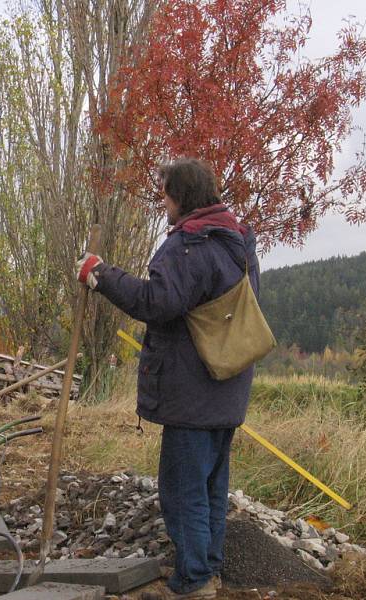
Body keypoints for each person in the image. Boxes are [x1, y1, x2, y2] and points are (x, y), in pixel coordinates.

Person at [76, 158, 259, 600]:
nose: (163, 204)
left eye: (164, 194)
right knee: (212, 487)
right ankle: (208, 569)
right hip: (226, 386)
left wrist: (99, 273)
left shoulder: (189, 245)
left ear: (180, 195)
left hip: (191, 391)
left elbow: (156, 302)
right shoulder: (236, 242)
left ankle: (193, 580)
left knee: (182, 492)